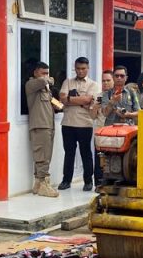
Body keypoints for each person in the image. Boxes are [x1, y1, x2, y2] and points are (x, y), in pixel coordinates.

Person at [58, 57, 101, 192]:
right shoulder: (68, 82)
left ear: (88, 69)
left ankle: (88, 181)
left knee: (85, 153)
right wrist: (80, 101)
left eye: (83, 68)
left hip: (85, 123)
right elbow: (62, 99)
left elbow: (89, 99)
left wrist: (70, 99)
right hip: (68, 123)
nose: (80, 71)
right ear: (74, 68)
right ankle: (66, 180)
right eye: (78, 68)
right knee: (69, 153)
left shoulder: (93, 84)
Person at [26, 61, 58, 197]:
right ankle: (44, 184)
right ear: (35, 73)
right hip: (39, 126)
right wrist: (49, 79)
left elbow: (52, 102)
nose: (46, 76)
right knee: (42, 157)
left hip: (48, 125)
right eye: (43, 73)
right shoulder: (31, 84)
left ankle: (38, 184)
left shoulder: (46, 88)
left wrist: (59, 105)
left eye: (47, 73)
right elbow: (47, 81)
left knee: (46, 155)